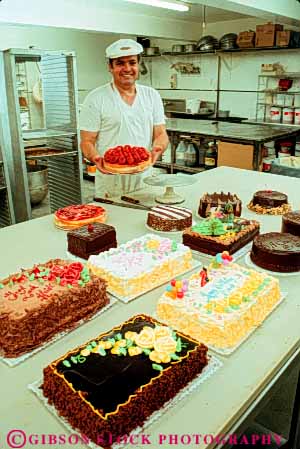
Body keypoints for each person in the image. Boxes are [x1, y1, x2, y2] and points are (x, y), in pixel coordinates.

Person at [80, 38, 169, 198]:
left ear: (138, 65)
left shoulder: (152, 95)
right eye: (120, 63)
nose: (127, 68)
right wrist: (95, 157)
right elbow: (87, 141)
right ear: (110, 67)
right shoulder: (96, 98)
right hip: (111, 181)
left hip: (145, 179)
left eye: (132, 62)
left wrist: (158, 148)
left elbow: (161, 134)